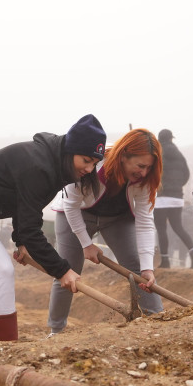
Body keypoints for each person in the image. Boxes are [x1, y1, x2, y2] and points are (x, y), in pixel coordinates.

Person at [0, 114, 107, 342]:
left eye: (94, 163)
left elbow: (27, 206)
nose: (89, 169)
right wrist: (62, 270)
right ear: (71, 149)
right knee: (1, 270)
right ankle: (6, 347)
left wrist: (21, 242)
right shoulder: (39, 166)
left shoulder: (57, 163)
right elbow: (31, 228)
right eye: (86, 160)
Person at [48, 128, 164, 335]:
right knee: (66, 270)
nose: (144, 172)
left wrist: (148, 267)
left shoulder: (145, 178)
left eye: (149, 167)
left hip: (117, 219)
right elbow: (71, 206)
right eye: (140, 166)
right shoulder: (92, 164)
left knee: (138, 269)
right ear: (123, 156)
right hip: (76, 214)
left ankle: (157, 322)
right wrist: (86, 244)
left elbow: (145, 222)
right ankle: (56, 331)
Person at [154, 129, 193, 269]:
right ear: (171, 139)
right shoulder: (179, 154)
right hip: (177, 197)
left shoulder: (158, 152)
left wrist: (161, 186)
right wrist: (177, 186)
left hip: (162, 197)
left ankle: (165, 261)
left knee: (161, 228)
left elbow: (154, 171)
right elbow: (186, 174)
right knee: (178, 227)